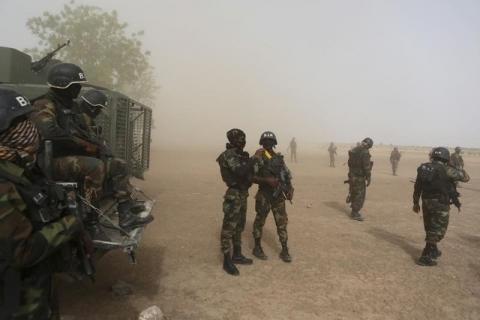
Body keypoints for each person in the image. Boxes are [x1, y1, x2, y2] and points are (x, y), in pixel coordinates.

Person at [30, 63, 143, 239]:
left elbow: (85, 133)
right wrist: (84, 146)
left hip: (72, 158)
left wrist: (99, 147)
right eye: (76, 85)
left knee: (119, 165)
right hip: (49, 162)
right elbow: (49, 132)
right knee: (95, 166)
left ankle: (126, 215)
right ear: (63, 85)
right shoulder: (44, 103)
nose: (79, 89)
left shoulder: (73, 107)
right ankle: (91, 222)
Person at [0, 88, 81, 319]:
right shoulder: (3, 183)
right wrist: (71, 224)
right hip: (15, 304)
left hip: (36, 294)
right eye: (21, 122)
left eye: (29, 120)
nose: (30, 128)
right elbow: (21, 252)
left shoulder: (21, 166)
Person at [78, 89, 152, 230]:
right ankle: (97, 215)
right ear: (92, 107)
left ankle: (125, 209)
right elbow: (85, 142)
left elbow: (96, 141)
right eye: (99, 109)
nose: (99, 112)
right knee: (108, 166)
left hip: (89, 157)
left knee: (119, 165)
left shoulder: (86, 118)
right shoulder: (80, 118)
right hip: (84, 160)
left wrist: (104, 150)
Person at [412, 147, 470, 266]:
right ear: (445, 158)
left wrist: (415, 202)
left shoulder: (425, 168)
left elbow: (417, 187)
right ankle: (425, 256)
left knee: (430, 226)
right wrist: (455, 166)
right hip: (440, 203)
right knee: (438, 229)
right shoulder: (447, 169)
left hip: (426, 201)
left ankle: (433, 249)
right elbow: (466, 178)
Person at [251, 131, 294, 262]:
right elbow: (251, 176)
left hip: (278, 196)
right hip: (264, 194)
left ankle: (285, 249)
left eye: (270, 142)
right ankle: (257, 247)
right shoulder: (258, 156)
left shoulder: (278, 158)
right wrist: (267, 181)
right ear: (262, 143)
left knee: (282, 223)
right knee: (259, 221)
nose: (268, 144)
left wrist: (290, 188)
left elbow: (287, 175)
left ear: (274, 143)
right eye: (265, 142)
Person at [216, 129, 253, 276]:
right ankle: (227, 260)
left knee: (240, 226)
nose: (242, 142)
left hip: (243, 193)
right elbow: (240, 172)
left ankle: (237, 254)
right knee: (229, 227)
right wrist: (254, 160)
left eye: (244, 139)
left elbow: (250, 174)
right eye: (239, 140)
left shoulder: (241, 155)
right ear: (232, 141)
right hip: (234, 193)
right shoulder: (228, 156)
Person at [346, 137, 373, 221]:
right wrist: (368, 177)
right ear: (368, 145)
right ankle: (355, 213)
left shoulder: (354, 149)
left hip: (352, 175)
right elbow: (366, 166)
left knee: (354, 191)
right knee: (360, 194)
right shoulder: (364, 152)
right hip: (359, 177)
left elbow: (349, 163)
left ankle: (353, 209)